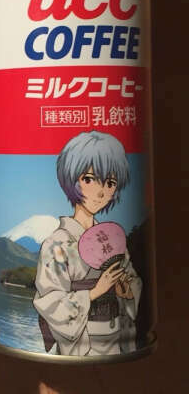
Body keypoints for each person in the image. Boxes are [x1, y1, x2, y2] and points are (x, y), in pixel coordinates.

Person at [33, 131, 142, 356]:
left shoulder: (114, 240)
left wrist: (126, 291)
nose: (101, 192)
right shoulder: (56, 244)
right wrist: (94, 292)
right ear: (71, 180)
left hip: (116, 335)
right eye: (89, 179)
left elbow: (133, 280)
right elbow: (49, 301)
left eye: (110, 183)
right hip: (83, 342)